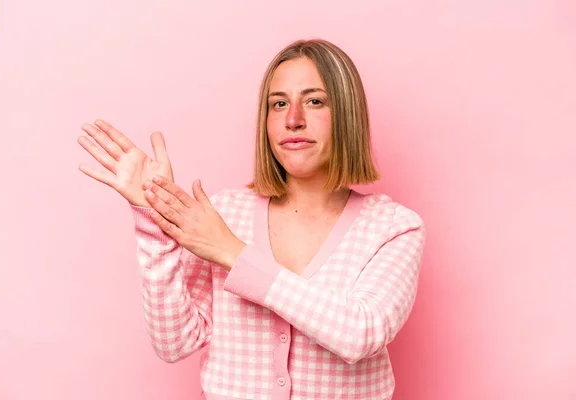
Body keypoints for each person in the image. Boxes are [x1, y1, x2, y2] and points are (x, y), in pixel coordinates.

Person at [77, 38, 426, 400]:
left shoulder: (394, 227)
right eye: (279, 104)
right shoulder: (224, 213)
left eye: (314, 101)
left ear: (347, 115)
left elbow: (361, 333)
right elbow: (175, 343)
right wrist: (154, 222)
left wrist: (233, 253)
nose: (293, 120)